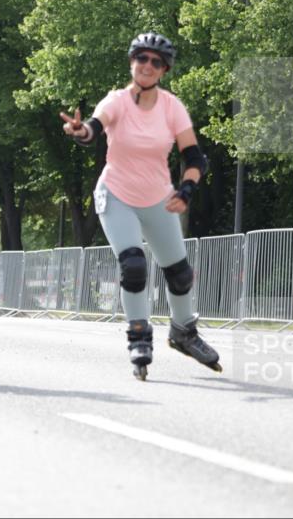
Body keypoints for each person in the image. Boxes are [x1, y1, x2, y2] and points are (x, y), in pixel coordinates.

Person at [60, 31, 221, 380]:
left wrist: (187, 189)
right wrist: (79, 132)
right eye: (142, 58)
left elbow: (194, 157)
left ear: (163, 70)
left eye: (156, 62)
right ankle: (138, 336)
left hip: (158, 198)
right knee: (133, 265)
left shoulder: (172, 107)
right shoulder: (115, 100)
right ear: (132, 61)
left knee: (179, 273)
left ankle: (183, 332)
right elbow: (93, 128)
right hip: (117, 194)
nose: (148, 65)